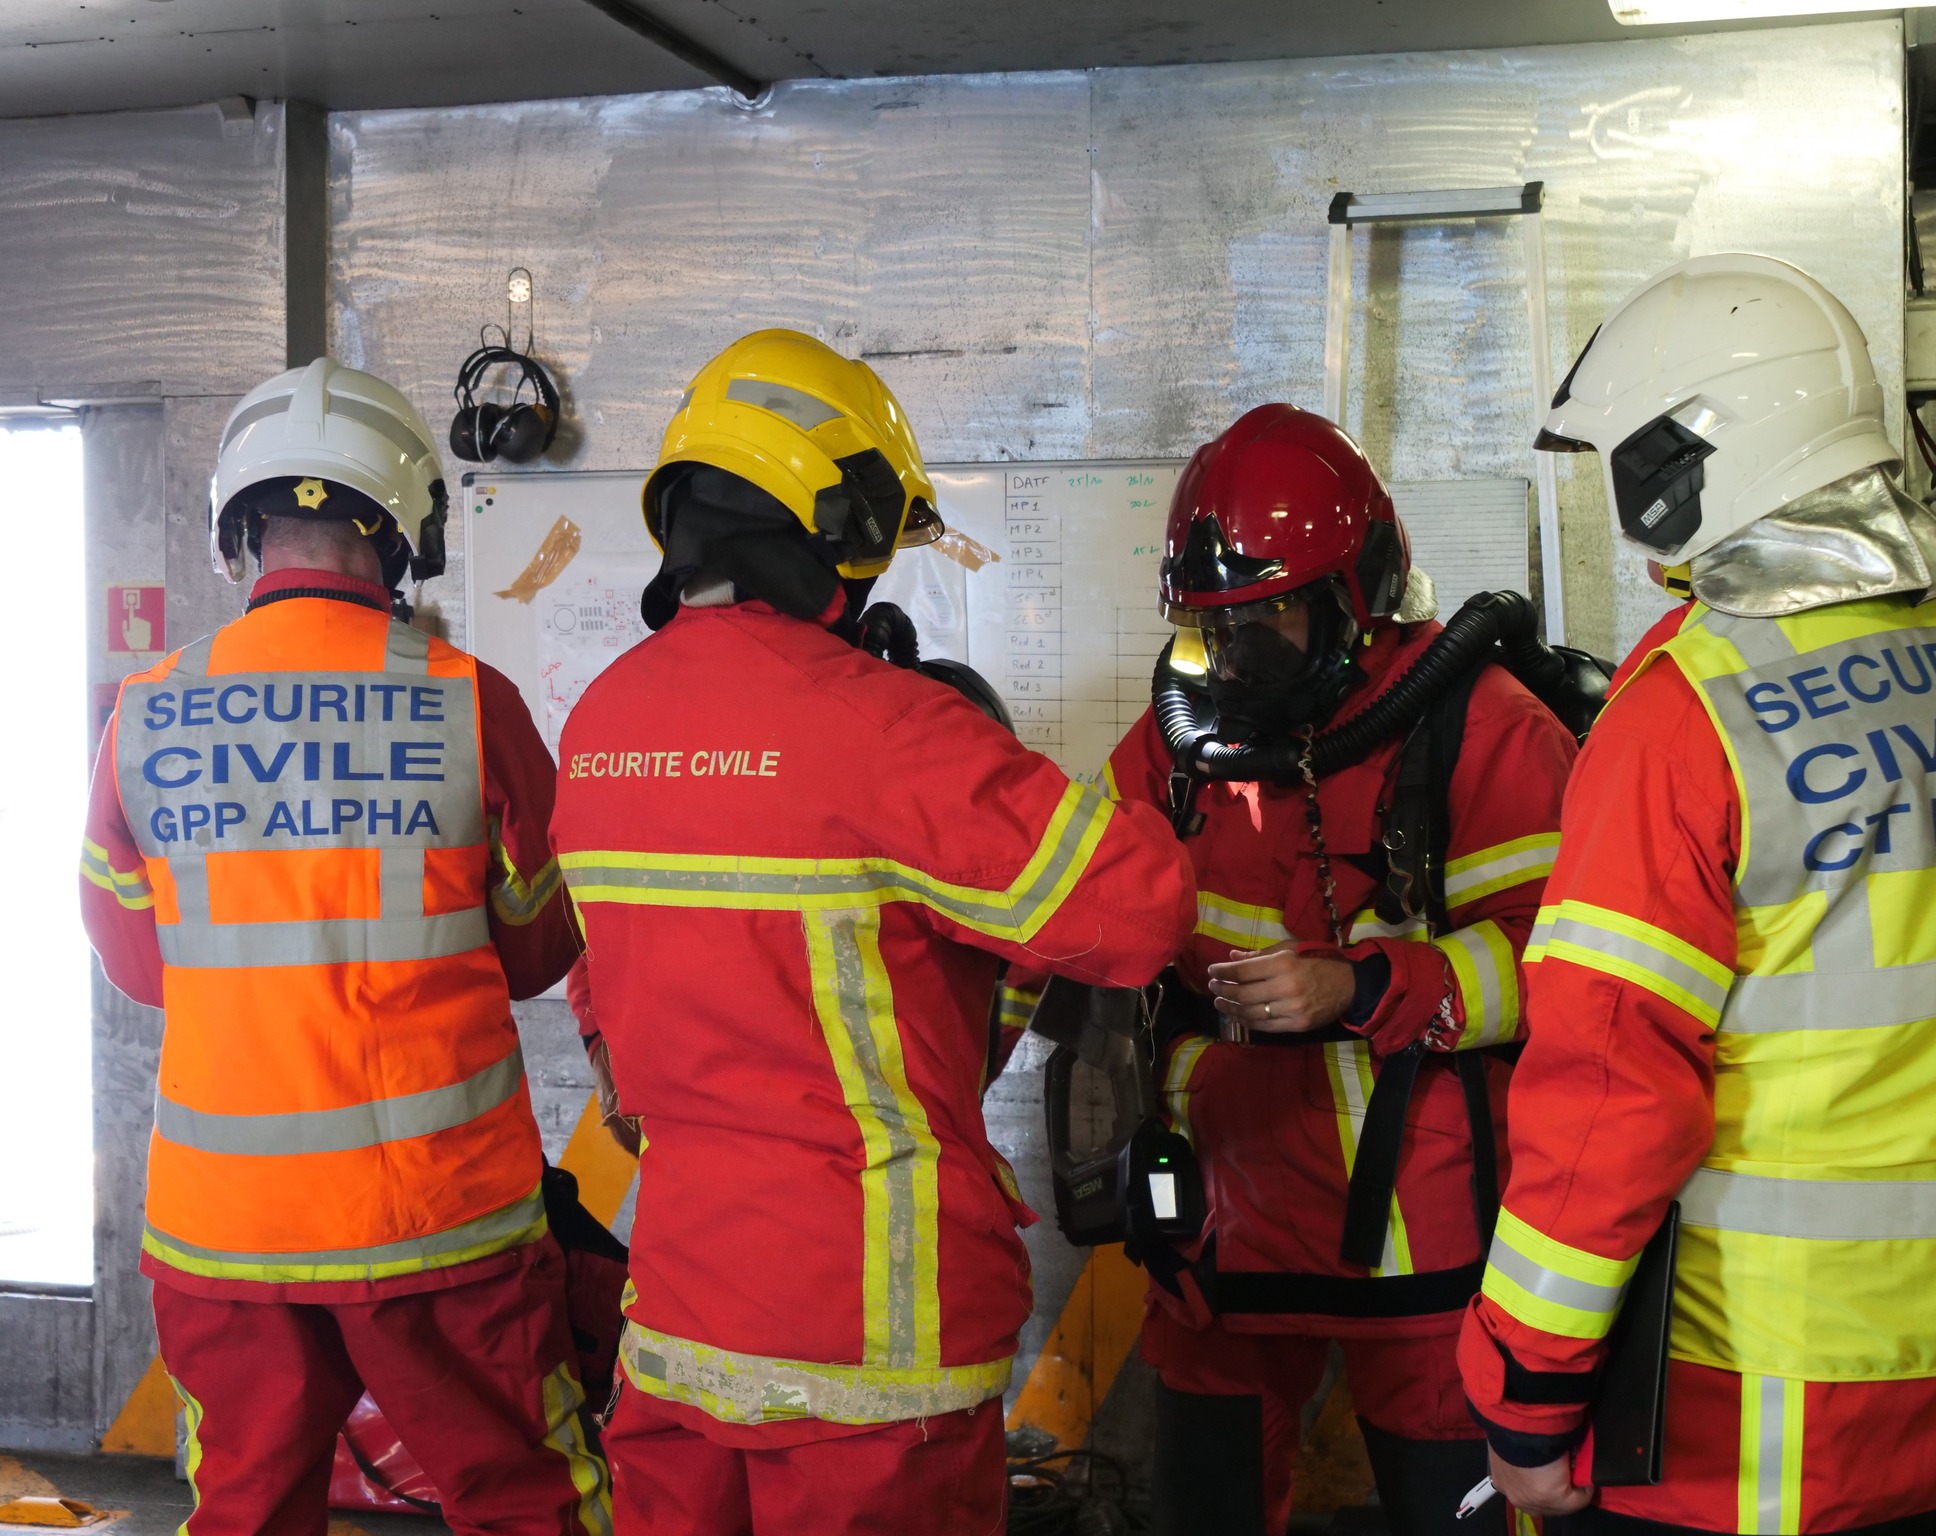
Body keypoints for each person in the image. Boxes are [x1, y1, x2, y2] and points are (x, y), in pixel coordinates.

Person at [548, 329, 1195, 1536]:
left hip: (679, 1318)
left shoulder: (597, 725)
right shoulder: (890, 731)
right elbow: (1136, 913)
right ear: (834, 526)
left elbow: (598, 981)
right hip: (871, 1348)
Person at [1458, 253, 1936, 1535]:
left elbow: (1609, 1089)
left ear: (1683, 465)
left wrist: (1525, 1387)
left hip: (1751, 1414)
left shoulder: (1689, 715)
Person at [78, 358, 611, 1536]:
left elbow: (137, 963)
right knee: (524, 1502)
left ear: (238, 531)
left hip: (224, 1229)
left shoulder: (145, 713)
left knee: (247, 1511)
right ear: (404, 524)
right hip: (437, 1223)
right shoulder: (469, 700)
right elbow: (540, 949)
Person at [1081, 404, 1576, 1535]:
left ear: (1358, 595)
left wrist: (1363, 986)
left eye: (1269, 619)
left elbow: (1562, 962)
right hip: (1219, 1234)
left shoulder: (1481, 727)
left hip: (1416, 1247)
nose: (1235, 659)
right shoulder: (1179, 739)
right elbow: (1070, 893)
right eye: (1212, 628)